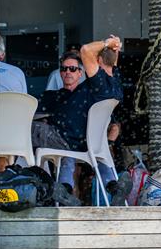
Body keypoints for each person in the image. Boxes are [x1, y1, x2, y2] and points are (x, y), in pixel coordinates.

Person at [32, 37, 124, 198]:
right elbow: (112, 63)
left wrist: (107, 44)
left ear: (99, 60)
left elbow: (85, 50)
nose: (67, 72)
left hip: (65, 137)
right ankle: (69, 189)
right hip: (81, 140)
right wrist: (114, 48)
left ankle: (22, 184)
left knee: (21, 129)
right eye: (64, 69)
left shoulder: (98, 83)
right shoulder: (114, 82)